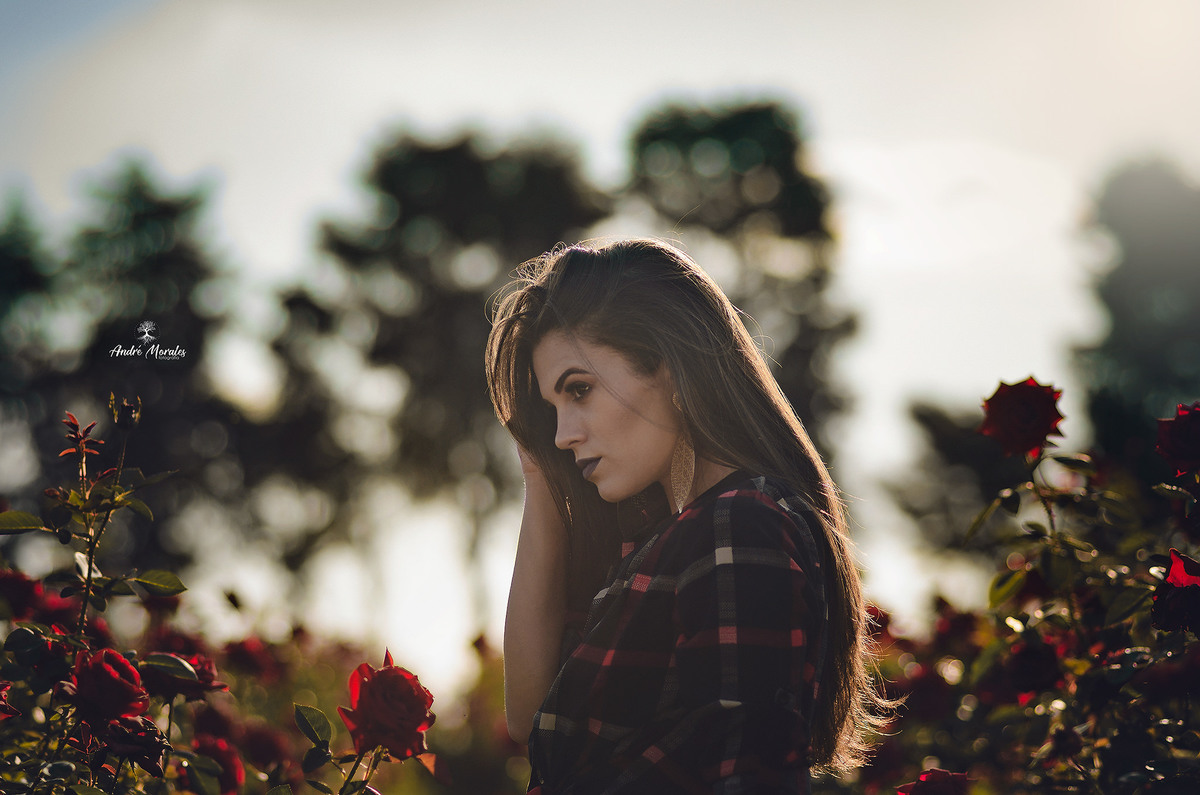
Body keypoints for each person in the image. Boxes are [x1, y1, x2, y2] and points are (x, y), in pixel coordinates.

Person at [486, 239, 892, 794]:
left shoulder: (739, 524)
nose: (563, 435)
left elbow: (748, 776)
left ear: (670, 367)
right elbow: (529, 719)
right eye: (553, 408)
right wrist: (539, 475)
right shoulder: (672, 539)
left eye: (578, 390)